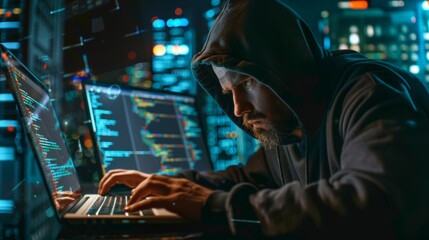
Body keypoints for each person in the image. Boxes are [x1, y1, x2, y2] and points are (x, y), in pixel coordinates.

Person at [97, 0, 429, 238]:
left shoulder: (371, 94)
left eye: (246, 83)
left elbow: (373, 202)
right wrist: (157, 186)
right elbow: (245, 178)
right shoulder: (288, 127)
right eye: (229, 92)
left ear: (283, 67)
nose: (239, 109)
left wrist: (216, 207)